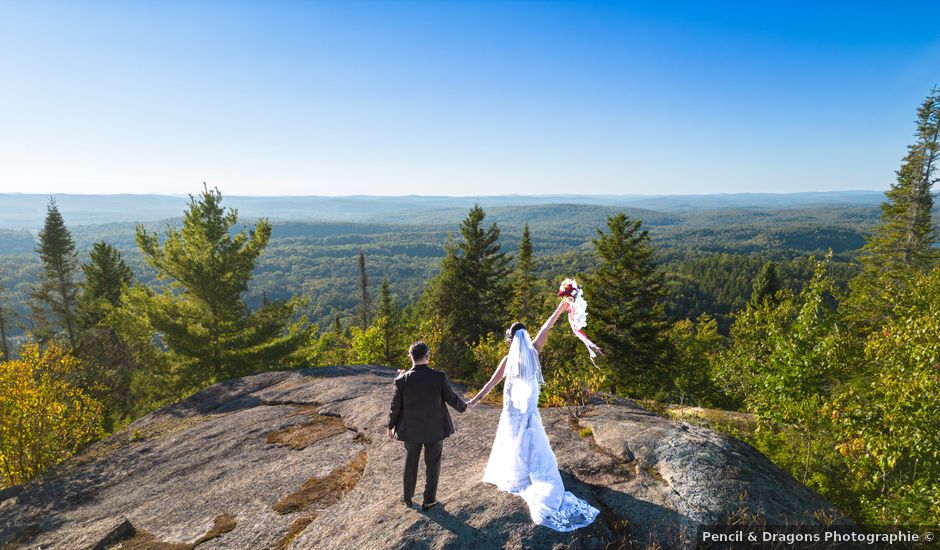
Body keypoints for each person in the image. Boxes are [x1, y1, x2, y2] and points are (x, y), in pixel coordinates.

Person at [467, 301, 600, 531]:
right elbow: (546, 328)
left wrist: (474, 401)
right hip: (529, 409)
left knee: (513, 439)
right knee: (532, 439)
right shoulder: (533, 352)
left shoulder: (508, 361)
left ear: (510, 340)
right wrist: (560, 308)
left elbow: (491, 383)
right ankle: (530, 469)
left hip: (512, 411)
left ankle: (518, 470)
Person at [387, 341, 468, 510]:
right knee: (433, 463)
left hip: (411, 430)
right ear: (428, 357)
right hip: (435, 429)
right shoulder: (439, 377)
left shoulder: (401, 380)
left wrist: (391, 425)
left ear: (410, 357)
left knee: (410, 463)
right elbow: (451, 397)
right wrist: (464, 406)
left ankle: (408, 497)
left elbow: (395, 406)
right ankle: (429, 499)